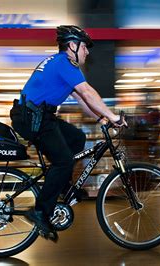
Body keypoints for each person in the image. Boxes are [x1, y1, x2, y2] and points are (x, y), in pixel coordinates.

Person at [10, 25, 126, 242]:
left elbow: (82, 99)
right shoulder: (64, 63)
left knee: (77, 138)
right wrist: (112, 116)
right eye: (85, 47)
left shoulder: (63, 64)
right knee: (63, 161)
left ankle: (62, 186)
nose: (87, 52)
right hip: (33, 118)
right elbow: (87, 92)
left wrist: (100, 118)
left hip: (38, 116)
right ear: (72, 46)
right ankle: (40, 212)